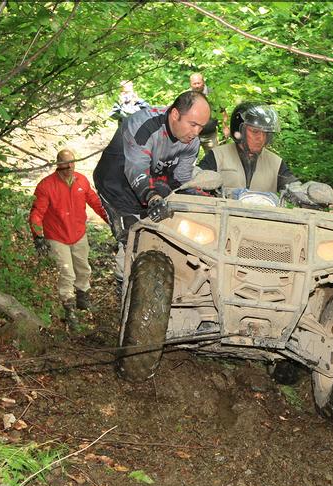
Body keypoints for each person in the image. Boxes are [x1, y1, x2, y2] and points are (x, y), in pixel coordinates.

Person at [93, 90, 211, 287]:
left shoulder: (192, 142)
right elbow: (136, 169)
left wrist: (199, 194)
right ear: (175, 115)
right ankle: (125, 292)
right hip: (117, 188)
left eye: (201, 127)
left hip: (153, 188)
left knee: (168, 240)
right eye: (193, 124)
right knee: (133, 242)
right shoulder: (142, 125)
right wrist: (153, 197)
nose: (196, 132)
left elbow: (181, 178)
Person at [29, 149, 109, 328]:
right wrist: (38, 236)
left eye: (72, 162)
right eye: (65, 163)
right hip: (56, 236)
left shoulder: (81, 180)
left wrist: (110, 220)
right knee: (67, 274)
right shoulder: (46, 186)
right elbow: (36, 214)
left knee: (83, 269)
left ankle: (83, 300)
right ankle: (69, 311)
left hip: (78, 233)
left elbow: (95, 203)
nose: (69, 167)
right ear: (58, 164)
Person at [198, 102, 297, 192]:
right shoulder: (217, 156)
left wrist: (307, 191)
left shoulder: (276, 163)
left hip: (261, 212)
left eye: (265, 133)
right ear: (239, 131)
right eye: (255, 131)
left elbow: (294, 187)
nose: (261, 138)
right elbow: (196, 182)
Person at [189, 73, 228, 153]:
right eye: (194, 83)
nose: (197, 86)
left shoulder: (213, 94)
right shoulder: (187, 96)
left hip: (210, 135)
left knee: (214, 158)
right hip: (192, 134)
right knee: (188, 160)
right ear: (190, 84)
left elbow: (223, 112)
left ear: (203, 82)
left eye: (198, 83)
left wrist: (225, 127)